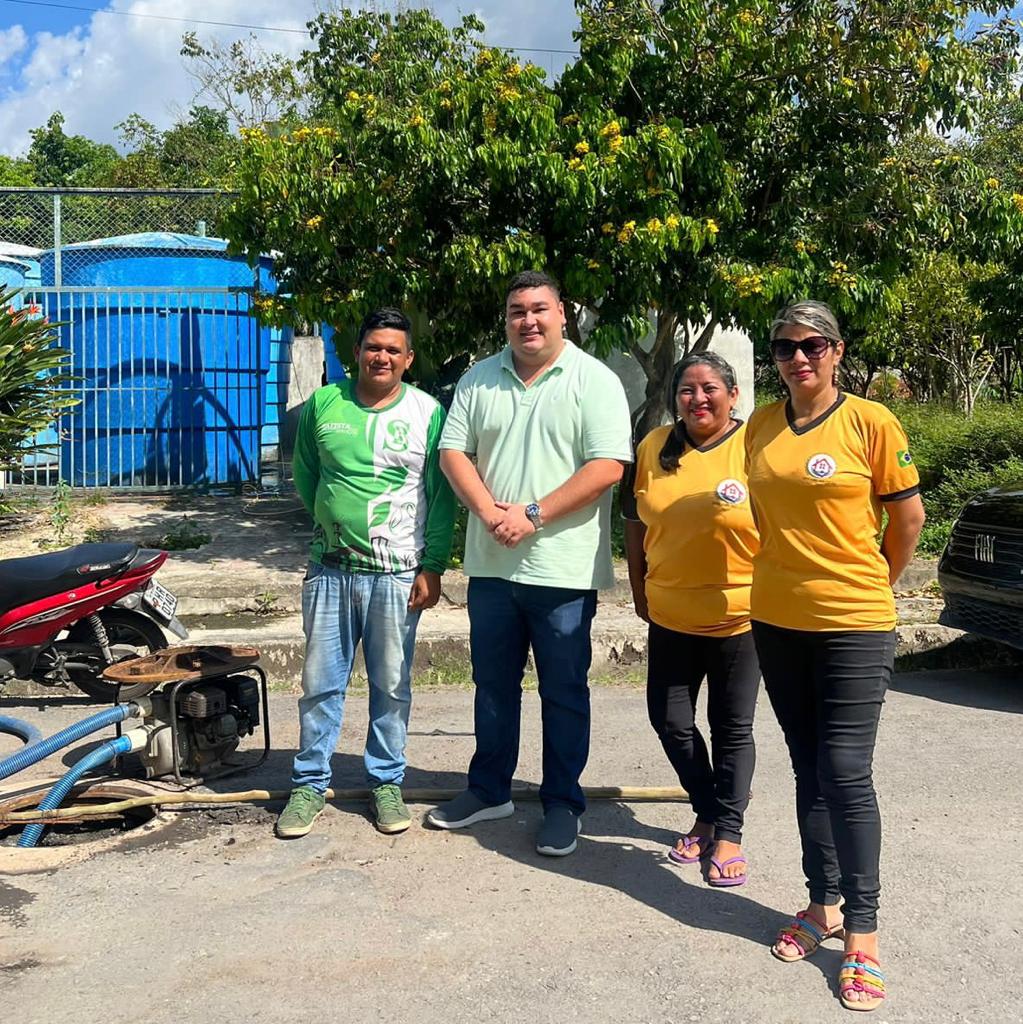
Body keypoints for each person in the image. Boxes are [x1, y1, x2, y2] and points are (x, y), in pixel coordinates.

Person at [745, 300, 925, 1012]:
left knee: (846, 771)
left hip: (853, 622)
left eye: (811, 346)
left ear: (836, 351)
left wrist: (873, 584)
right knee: (806, 765)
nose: (798, 358)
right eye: (785, 348)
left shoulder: (870, 422)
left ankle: (863, 932)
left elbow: (906, 518)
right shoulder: (760, 424)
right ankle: (820, 906)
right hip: (776, 621)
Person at [426, 270, 633, 857]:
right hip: (492, 566)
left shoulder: (594, 380)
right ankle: (488, 788)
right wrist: (491, 512)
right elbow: (453, 453)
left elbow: (607, 467)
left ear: (562, 313)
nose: (528, 320)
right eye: (518, 310)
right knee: (492, 686)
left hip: (562, 570)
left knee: (563, 691)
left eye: (539, 308)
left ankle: (563, 802)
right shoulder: (479, 378)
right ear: (507, 318)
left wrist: (533, 515)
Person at [276, 307, 456, 839]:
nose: (382, 357)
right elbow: (307, 474)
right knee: (319, 686)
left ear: (408, 360)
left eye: (393, 350)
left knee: (392, 686)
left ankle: (386, 782)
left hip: (398, 575)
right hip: (330, 570)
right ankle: (308, 784)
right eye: (372, 347)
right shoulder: (323, 405)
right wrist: (333, 522)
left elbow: (440, 496)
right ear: (355, 352)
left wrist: (433, 565)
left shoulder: (428, 412)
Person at [623, 351, 760, 887]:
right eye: (687, 389)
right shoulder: (655, 446)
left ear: (732, 395)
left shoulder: (754, 448)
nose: (698, 399)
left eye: (709, 389)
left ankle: (727, 831)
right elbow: (635, 524)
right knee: (671, 720)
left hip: (741, 618)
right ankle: (708, 808)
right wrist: (638, 587)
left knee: (731, 729)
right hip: (671, 613)